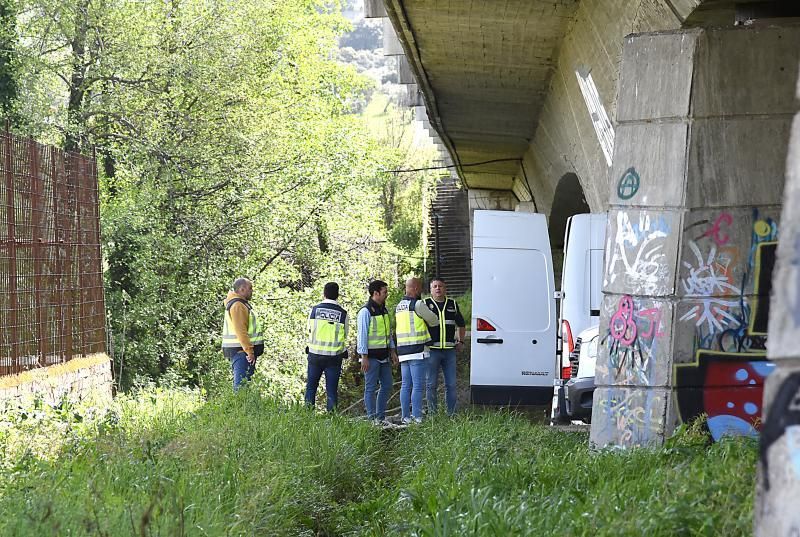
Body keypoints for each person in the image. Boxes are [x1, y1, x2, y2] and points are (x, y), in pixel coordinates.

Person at [395, 277, 439, 424]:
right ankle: (417, 417)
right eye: (419, 288)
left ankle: (405, 417)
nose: (421, 290)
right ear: (414, 288)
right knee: (418, 386)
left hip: (403, 351)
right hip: (418, 350)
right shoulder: (418, 304)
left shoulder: (399, 306)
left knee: (405, 385)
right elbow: (434, 320)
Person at [357, 280, 397, 422]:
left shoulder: (384, 310)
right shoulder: (365, 312)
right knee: (370, 388)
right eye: (385, 292)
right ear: (376, 293)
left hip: (384, 356)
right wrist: (364, 357)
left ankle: (380, 417)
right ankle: (372, 418)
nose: (387, 294)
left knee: (387, 385)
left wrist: (392, 351)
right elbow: (362, 335)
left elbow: (388, 333)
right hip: (371, 358)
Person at [424, 277, 466, 415]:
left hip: (449, 351)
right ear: (430, 289)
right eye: (434, 286)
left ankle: (452, 414)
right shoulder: (425, 304)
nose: (437, 288)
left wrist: (461, 341)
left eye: (440, 286)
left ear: (445, 288)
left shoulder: (452, 304)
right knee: (431, 385)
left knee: (451, 385)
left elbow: (461, 324)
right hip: (432, 351)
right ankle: (432, 415)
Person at [305, 282, 348, 411]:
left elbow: (309, 329)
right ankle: (332, 420)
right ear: (337, 295)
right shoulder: (343, 314)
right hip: (333, 357)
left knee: (311, 387)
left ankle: (306, 416)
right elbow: (345, 334)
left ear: (324, 293)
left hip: (315, 355)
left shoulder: (314, 310)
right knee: (332, 391)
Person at [221, 277, 264, 390]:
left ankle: (241, 407)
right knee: (241, 388)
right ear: (242, 289)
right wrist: (249, 351)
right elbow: (241, 331)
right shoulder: (238, 306)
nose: (252, 291)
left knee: (242, 387)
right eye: (250, 288)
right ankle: (239, 408)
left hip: (242, 352)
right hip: (242, 353)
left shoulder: (239, 304)